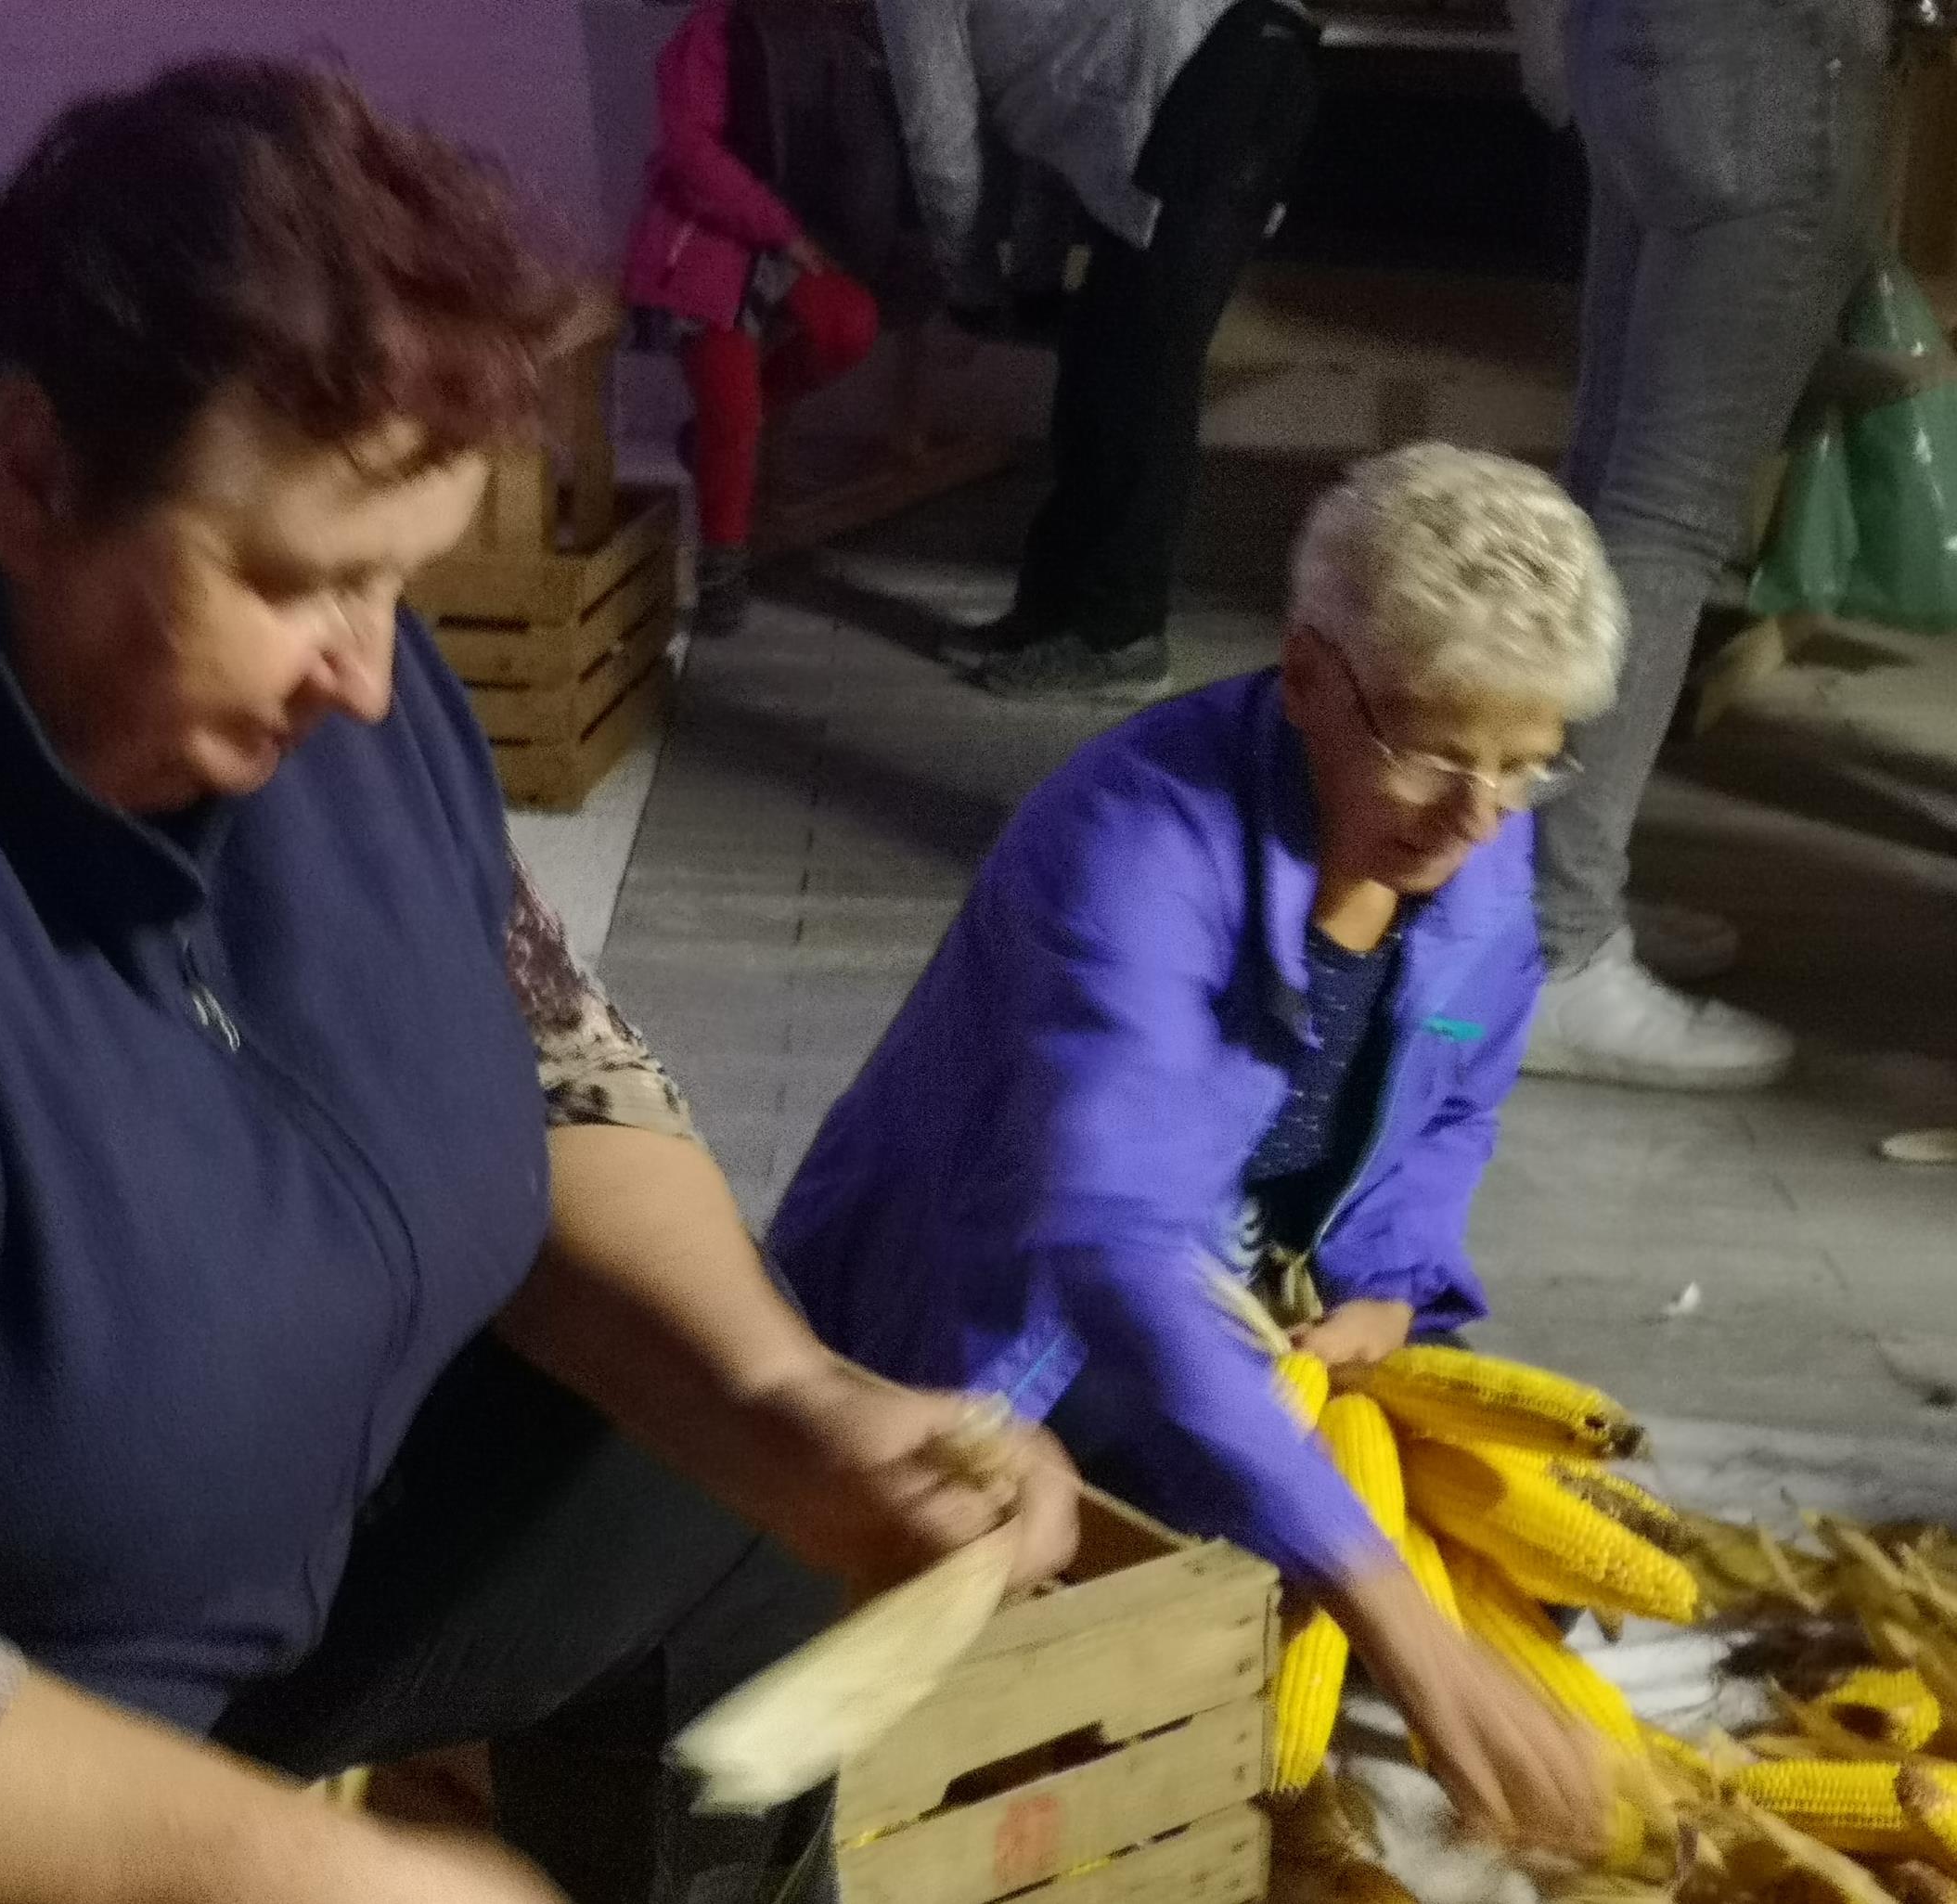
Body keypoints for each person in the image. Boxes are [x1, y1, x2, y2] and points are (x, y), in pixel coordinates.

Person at [0, 61, 1078, 1904]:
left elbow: (534, 1035)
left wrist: (779, 1398)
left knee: (730, 1504)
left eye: (398, 584)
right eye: (301, 583)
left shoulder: (272, 655)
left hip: (212, 1554)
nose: (367, 676)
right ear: (34, 473)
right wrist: (265, 1868)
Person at [772, 446, 1623, 1851]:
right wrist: (1393, 1614)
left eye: (1527, 766)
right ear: (1307, 677)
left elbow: (1458, 1092)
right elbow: (1113, 1246)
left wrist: (1391, 1279)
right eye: (1434, 750)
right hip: (1019, 1322)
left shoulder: (1479, 834)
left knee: (1530, 1565)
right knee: (1052, 1672)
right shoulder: (1132, 842)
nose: (1479, 816)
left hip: (1266, 1298)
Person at [1515, 0, 1892, 1089]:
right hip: (1777, 65)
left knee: (1612, 479)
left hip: (1636, 44)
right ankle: (1561, 947)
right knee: (1668, 511)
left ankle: (1539, 891)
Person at [873, 0, 1320, 700]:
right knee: (1094, 373)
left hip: (1204, 89)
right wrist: (1035, 280)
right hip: (1222, 67)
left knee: (1141, 390)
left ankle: (1120, 635)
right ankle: (1053, 613)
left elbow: (941, 134)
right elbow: (1059, 131)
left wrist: (970, 295)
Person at [623, 0, 884, 640]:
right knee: (732, 407)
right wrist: (782, 229)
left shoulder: (826, 28)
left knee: (847, 324)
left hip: (789, 230)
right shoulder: (712, 31)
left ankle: (715, 445)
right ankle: (722, 563)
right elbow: (693, 153)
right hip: (704, 235)